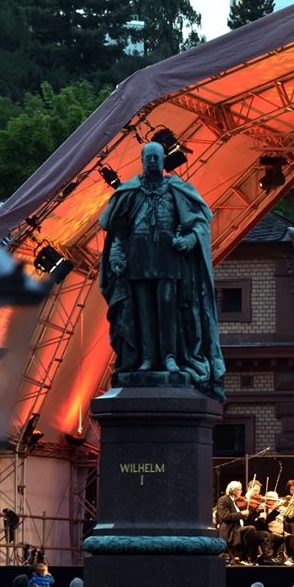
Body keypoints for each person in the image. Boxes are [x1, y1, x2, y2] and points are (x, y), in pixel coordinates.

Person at [98, 140, 224, 399]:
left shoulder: (178, 189)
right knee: (144, 312)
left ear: (163, 160)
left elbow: (199, 225)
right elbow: (118, 232)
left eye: (157, 158)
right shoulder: (129, 193)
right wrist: (115, 257)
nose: (153, 162)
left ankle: (169, 357)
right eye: (149, 158)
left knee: (168, 311)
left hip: (169, 260)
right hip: (139, 260)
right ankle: (146, 357)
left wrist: (189, 241)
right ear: (142, 161)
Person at [215, 482, 246, 563]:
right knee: (250, 530)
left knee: (261, 534)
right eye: (240, 490)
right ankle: (244, 557)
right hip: (230, 530)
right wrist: (241, 514)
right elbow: (226, 517)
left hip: (238, 528)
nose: (241, 492)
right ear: (234, 491)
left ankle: (253, 558)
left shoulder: (235, 502)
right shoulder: (223, 500)